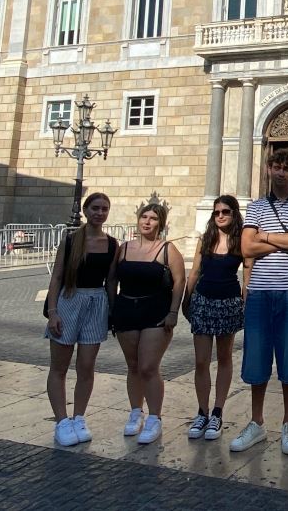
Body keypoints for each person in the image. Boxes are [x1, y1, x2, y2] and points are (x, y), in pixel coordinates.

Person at [230, 147, 288, 455]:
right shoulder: (255, 207)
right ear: (268, 169)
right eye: (276, 166)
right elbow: (246, 249)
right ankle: (257, 422)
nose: (280, 172)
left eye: (286, 168)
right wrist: (284, 240)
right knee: (256, 357)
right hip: (259, 293)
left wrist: (264, 237)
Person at [45, 192, 118, 447]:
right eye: (95, 208)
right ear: (85, 211)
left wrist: (112, 313)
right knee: (59, 367)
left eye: (104, 209)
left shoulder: (112, 244)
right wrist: (53, 312)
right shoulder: (70, 241)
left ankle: (78, 418)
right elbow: (56, 277)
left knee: (86, 366)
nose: (100, 213)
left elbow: (111, 281)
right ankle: (61, 421)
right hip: (69, 300)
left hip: (96, 303)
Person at [112, 203, 186, 445]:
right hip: (126, 310)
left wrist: (173, 312)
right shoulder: (123, 248)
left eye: (153, 218)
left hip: (156, 312)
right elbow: (112, 280)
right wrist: (111, 308)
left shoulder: (167, 249)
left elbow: (180, 281)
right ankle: (136, 412)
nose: (147, 221)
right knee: (133, 366)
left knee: (148, 367)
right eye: (144, 216)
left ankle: (155, 417)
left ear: (160, 223)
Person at [183, 195, 251, 441]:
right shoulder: (206, 239)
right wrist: (186, 300)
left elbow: (248, 274)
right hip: (203, 300)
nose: (220, 216)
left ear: (234, 213)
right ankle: (202, 411)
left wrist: (245, 301)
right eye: (216, 212)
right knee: (201, 361)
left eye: (225, 211)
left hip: (228, 302)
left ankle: (217, 412)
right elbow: (194, 272)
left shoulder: (241, 240)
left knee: (224, 358)